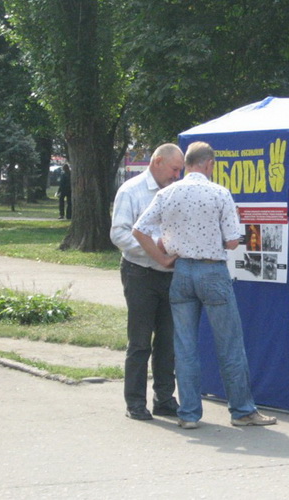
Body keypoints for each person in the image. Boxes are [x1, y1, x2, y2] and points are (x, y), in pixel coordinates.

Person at [132, 141, 276, 430]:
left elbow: (139, 230)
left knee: (185, 347)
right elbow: (233, 241)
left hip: (181, 271)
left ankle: (188, 414)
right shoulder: (219, 193)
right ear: (209, 164)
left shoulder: (166, 193)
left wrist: (162, 258)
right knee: (229, 344)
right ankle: (242, 410)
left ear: (186, 163)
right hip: (212, 271)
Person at [110, 144, 184, 421]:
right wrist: (155, 248)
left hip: (170, 275)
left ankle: (164, 399)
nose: (177, 175)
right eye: (174, 169)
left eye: (180, 170)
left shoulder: (176, 191)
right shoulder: (131, 191)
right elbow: (119, 234)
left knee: (167, 341)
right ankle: (135, 402)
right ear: (158, 162)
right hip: (139, 273)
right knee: (140, 341)